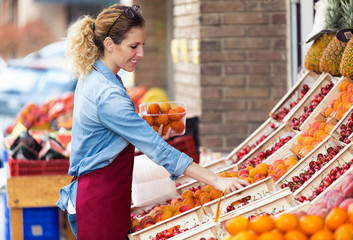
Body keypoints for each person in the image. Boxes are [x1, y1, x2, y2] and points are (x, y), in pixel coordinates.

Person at [56, 4, 248, 240]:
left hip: (102, 194)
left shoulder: (96, 74)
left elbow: (108, 137)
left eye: (142, 45)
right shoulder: (107, 93)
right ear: (109, 44)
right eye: (133, 46)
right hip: (101, 200)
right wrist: (216, 180)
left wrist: (144, 132)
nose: (141, 54)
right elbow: (159, 151)